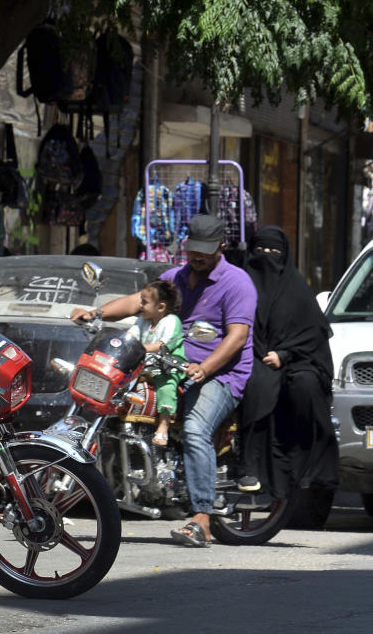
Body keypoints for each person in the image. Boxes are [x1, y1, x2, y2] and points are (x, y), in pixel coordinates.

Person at [72, 214, 256, 547]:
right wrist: (95, 315)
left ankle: (201, 519)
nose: (197, 256)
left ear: (221, 247)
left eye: (205, 250)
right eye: (193, 249)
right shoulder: (176, 277)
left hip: (222, 373)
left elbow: (238, 336)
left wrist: (206, 367)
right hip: (168, 366)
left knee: (196, 429)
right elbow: (135, 302)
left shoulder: (237, 282)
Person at [238, 226, 339, 497]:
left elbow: (312, 334)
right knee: (257, 386)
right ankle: (250, 469)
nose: (266, 258)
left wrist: (284, 355)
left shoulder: (297, 290)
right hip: (252, 356)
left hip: (294, 359)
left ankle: (311, 473)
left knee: (304, 387)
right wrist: (260, 354)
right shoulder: (241, 286)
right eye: (260, 251)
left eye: (274, 252)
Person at [126, 280, 185, 447]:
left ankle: (163, 426)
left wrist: (140, 348)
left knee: (166, 388)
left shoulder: (172, 321)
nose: (141, 305)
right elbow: (131, 335)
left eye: (144, 302)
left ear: (160, 307)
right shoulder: (142, 320)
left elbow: (164, 344)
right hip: (143, 367)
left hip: (166, 367)